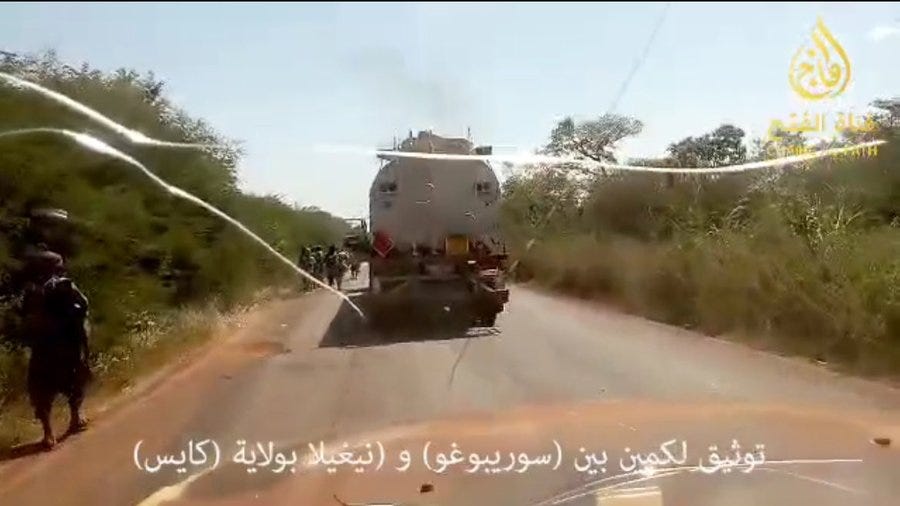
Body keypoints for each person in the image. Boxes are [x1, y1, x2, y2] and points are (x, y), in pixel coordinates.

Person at [22, 250, 91, 449]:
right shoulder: (64, 286)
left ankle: (48, 433)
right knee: (74, 379)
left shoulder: (33, 290)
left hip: (44, 346)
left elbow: (27, 318)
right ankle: (75, 417)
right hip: (65, 344)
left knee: (41, 387)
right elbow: (84, 305)